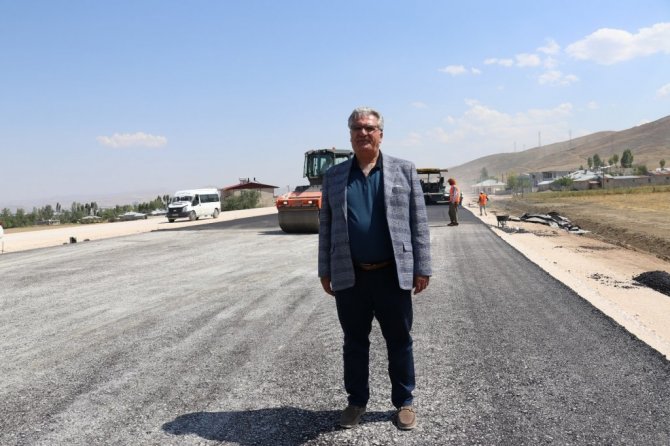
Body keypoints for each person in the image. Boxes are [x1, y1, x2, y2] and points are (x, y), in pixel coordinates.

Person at [318, 107, 432, 431]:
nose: (363, 133)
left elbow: (419, 222)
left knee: (399, 340)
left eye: (369, 128)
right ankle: (356, 402)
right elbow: (326, 226)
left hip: (391, 274)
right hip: (350, 274)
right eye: (357, 128)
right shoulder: (334, 176)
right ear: (350, 135)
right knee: (354, 342)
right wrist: (324, 269)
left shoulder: (404, 170)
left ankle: (404, 402)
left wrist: (422, 266)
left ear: (381, 133)